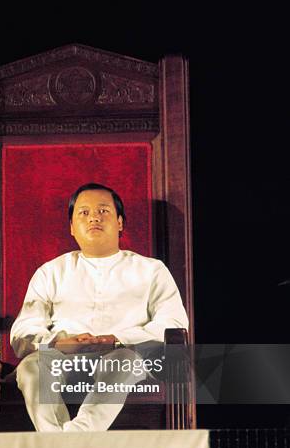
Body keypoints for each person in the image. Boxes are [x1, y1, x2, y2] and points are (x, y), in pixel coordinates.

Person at [10, 183, 188, 432]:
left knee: (123, 361)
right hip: (65, 357)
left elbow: (174, 324)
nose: (94, 217)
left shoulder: (151, 270)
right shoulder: (51, 272)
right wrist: (61, 343)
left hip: (125, 355)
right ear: (72, 228)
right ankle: (68, 441)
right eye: (83, 212)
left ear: (120, 223)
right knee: (31, 366)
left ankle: (68, 441)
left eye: (103, 210)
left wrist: (117, 339)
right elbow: (22, 333)